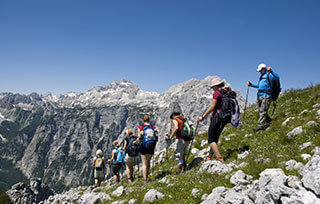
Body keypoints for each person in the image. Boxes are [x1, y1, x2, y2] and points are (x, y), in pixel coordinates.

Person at [197, 77, 227, 162]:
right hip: (224, 118)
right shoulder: (225, 91)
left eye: (213, 87)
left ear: (216, 86)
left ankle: (219, 158)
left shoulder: (217, 93)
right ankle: (209, 156)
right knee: (215, 138)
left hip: (217, 117)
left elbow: (212, 107)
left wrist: (202, 117)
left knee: (211, 139)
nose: (212, 89)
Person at [248, 63, 280, 131]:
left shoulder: (270, 75)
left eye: (260, 70)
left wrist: (271, 71)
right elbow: (259, 86)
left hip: (266, 96)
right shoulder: (261, 77)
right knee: (260, 110)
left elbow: (277, 77)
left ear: (264, 69)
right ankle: (269, 121)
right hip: (260, 95)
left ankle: (260, 126)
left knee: (263, 111)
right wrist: (251, 85)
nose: (259, 72)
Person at [136, 115, 157, 182]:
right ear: (149, 120)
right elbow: (156, 135)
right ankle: (147, 176)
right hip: (152, 146)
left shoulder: (141, 127)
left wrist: (136, 142)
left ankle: (145, 179)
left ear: (143, 120)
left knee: (144, 163)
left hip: (144, 146)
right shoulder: (153, 127)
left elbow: (139, 137)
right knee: (148, 162)